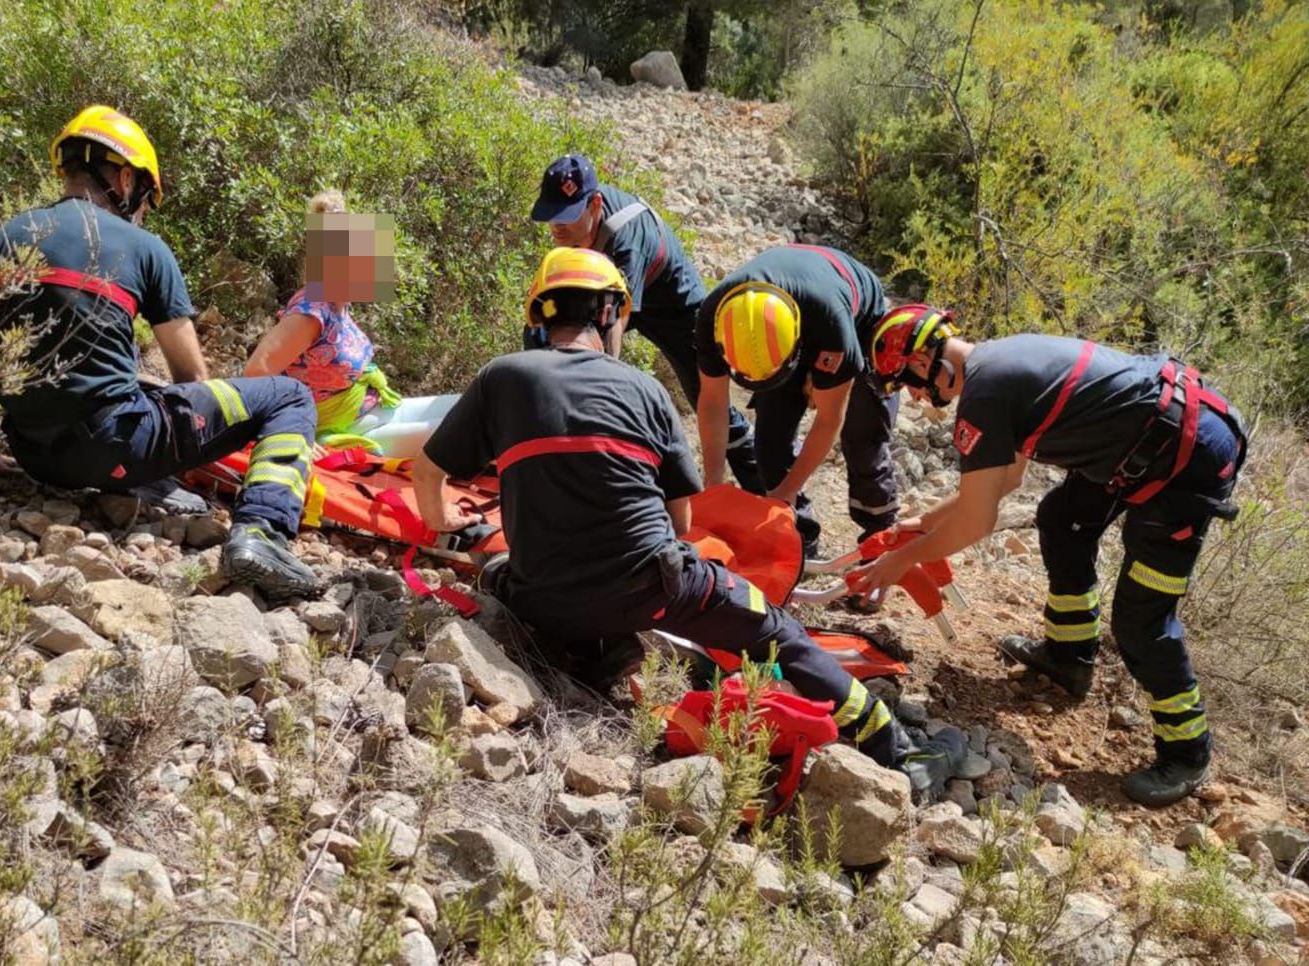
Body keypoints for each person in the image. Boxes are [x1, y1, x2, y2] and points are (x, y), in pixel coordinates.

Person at [413, 247, 965, 798]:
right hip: (651, 589)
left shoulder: (500, 377)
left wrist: (446, 529)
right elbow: (680, 526)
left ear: (541, 317)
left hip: (540, 598)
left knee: (499, 568)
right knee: (778, 634)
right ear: (610, 314)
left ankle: (595, 650)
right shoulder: (647, 391)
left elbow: (429, 471)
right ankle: (894, 748)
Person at [0, 105, 321, 601]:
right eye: (146, 198)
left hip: (34, 453)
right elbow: (190, 377)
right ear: (125, 179)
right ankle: (263, 534)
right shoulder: (145, 247)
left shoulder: (6, 238)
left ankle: (142, 479)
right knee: (290, 397)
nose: (144, 210)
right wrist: (191, 446)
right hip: (114, 450)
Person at [852, 307, 1248, 806]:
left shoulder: (985, 395)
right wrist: (924, 524)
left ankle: (1189, 751)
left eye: (906, 380)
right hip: (1148, 439)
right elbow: (1005, 483)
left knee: (1141, 620)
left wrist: (899, 561)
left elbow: (978, 522)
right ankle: (1069, 657)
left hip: (1186, 461)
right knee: (1062, 518)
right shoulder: (994, 366)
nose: (912, 394)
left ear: (926, 359)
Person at [529, 153, 763, 493]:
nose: (556, 227)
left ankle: (763, 488)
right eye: (551, 217)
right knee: (544, 329)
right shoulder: (578, 216)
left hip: (676, 308)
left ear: (594, 204)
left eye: (565, 218)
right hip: (623, 293)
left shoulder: (625, 242)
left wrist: (596, 403)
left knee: (707, 400)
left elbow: (612, 329)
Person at [694, 245, 900, 567]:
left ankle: (879, 553)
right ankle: (799, 543)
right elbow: (712, 403)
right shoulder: (715, 317)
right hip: (788, 319)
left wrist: (786, 491)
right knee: (770, 446)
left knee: (862, 435)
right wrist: (713, 485)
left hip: (858, 319)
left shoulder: (831, 322)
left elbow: (830, 419)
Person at [245, 191, 457, 457]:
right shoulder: (311, 312)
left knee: (478, 406)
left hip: (376, 409)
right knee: (470, 429)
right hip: (346, 432)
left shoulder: (338, 304)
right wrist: (292, 434)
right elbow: (256, 372)